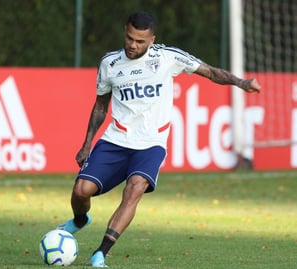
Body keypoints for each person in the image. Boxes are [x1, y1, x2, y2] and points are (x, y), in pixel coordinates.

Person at [56, 11, 262, 267]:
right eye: (130, 38)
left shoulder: (168, 58)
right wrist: (87, 144)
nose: (133, 45)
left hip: (151, 144)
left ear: (152, 40)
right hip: (116, 140)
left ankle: (100, 253)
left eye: (140, 41)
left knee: (135, 189)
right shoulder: (109, 63)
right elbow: (100, 106)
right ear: (125, 31)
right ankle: (79, 220)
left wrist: (242, 83)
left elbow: (210, 72)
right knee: (80, 191)